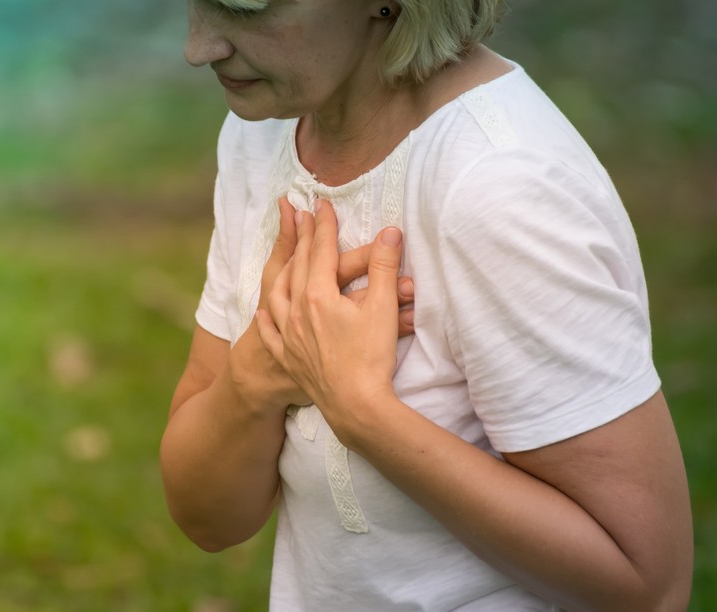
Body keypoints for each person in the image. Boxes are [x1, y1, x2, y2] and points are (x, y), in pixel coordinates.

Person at [160, 0, 694, 609]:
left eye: (245, 8)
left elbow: (649, 587)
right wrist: (258, 377)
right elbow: (206, 518)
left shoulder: (501, 186)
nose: (198, 47)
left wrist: (361, 410)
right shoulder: (265, 130)